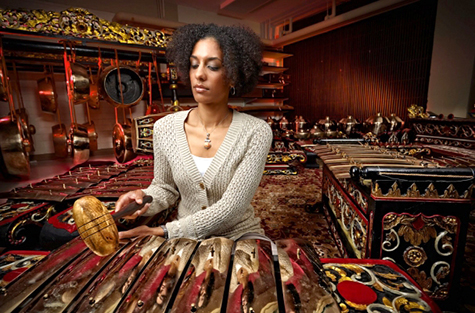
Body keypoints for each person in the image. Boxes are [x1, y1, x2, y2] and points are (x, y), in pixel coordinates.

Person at [115, 23, 273, 241]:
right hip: (186, 240)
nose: (199, 75)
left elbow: (232, 208)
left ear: (234, 75)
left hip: (239, 236)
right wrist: (144, 199)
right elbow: (165, 188)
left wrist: (165, 231)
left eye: (213, 67)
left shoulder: (256, 132)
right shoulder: (165, 128)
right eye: (193, 65)